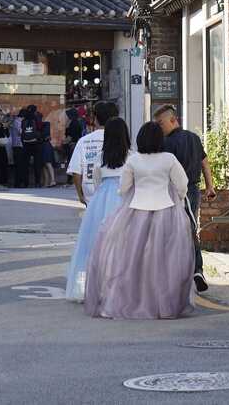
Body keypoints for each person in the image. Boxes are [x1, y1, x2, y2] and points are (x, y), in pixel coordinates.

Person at [85, 122, 194, 320]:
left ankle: (134, 300)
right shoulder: (169, 158)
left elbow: (124, 188)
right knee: (165, 259)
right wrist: (179, 197)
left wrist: (128, 194)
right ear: (160, 139)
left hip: (136, 212)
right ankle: (165, 304)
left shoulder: (134, 161)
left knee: (132, 259)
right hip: (166, 210)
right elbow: (182, 183)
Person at [66, 117, 131, 301]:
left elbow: (96, 182)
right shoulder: (132, 157)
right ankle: (122, 288)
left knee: (96, 244)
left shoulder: (101, 159)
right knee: (124, 246)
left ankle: (99, 288)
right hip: (124, 200)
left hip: (100, 201)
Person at [154, 104, 216, 293]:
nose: (159, 127)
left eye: (161, 123)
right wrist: (210, 187)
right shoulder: (194, 138)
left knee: (169, 232)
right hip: (193, 190)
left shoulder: (165, 144)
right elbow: (205, 164)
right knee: (190, 229)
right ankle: (197, 270)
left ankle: (178, 273)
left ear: (173, 120)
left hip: (172, 191)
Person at [67, 101, 118, 205]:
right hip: (116, 198)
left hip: (91, 196)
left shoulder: (84, 141)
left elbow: (76, 172)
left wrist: (81, 195)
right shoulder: (120, 140)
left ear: (95, 119)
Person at [21, 105, 43, 188]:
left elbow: (22, 131)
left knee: (25, 164)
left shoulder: (24, 120)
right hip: (35, 143)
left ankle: (25, 183)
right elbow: (40, 128)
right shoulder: (36, 119)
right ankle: (37, 182)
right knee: (37, 164)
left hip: (26, 143)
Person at [11, 109, 27, 188]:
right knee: (19, 166)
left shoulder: (18, 121)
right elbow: (21, 132)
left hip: (20, 146)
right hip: (18, 146)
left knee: (21, 165)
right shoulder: (17, 122)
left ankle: (21, 182)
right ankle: (18, 183)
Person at [41, 121, 57, 188]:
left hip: (45, 146)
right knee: (45, 164)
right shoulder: (46, 128)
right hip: (46, 146)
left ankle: (52, 181)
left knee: (47, 163)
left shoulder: (44, 129)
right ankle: (47, 182)